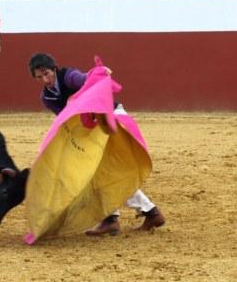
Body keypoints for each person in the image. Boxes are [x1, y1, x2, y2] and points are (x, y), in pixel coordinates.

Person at [28, 52, 165, 235]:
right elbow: (66, 119)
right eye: (39, 77)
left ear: (54, 68)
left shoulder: (68, 77)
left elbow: (87, 79)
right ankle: (135, 215)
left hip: (109, 118)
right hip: (90, 130)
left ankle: (128, 216)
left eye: (46, 73)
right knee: (100, 171)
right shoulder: (47, 97)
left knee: (103, 171)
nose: (45, 79)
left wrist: (99, 73)